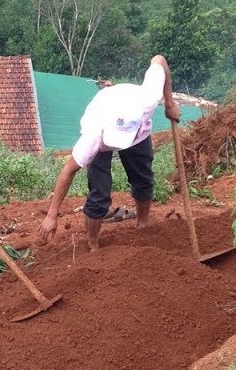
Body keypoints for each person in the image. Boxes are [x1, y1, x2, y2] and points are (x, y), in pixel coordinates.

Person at [38, 55, 181, 251]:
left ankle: (143, 224)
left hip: (137, 133)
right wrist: (51, 215)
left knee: (143, 177)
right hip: (103, 120)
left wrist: (170, 102)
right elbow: (68, 171)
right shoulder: (94, 134)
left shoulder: (147, 100)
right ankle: (93, 244)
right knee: (100, 192)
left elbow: (159, 60)